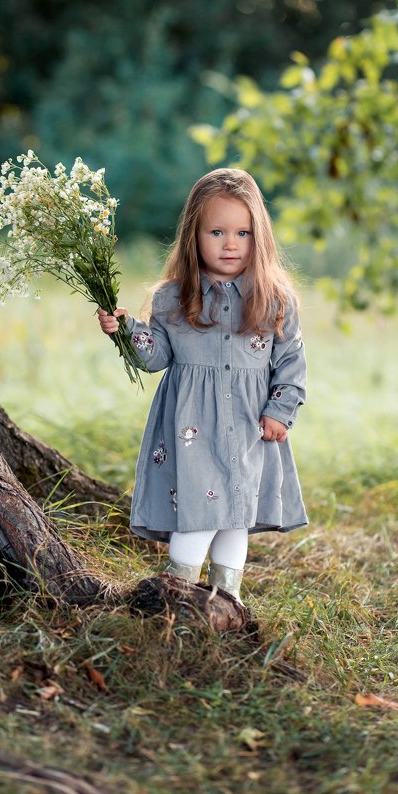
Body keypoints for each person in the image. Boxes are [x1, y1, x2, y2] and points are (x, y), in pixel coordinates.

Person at [97, 168, 307, 604]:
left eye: (242, 233)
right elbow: (155, 357)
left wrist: (279, 411)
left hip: (249, 427)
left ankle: (226, 602)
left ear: (259, 237)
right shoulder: (174, 298)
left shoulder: (274, 299)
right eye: (217, 232)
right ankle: (177, 601)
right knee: (196, 515)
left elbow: (291, 362)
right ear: (194, 235)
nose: (230, 244)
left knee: (235, 518)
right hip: (191, 431)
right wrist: (125, 331)